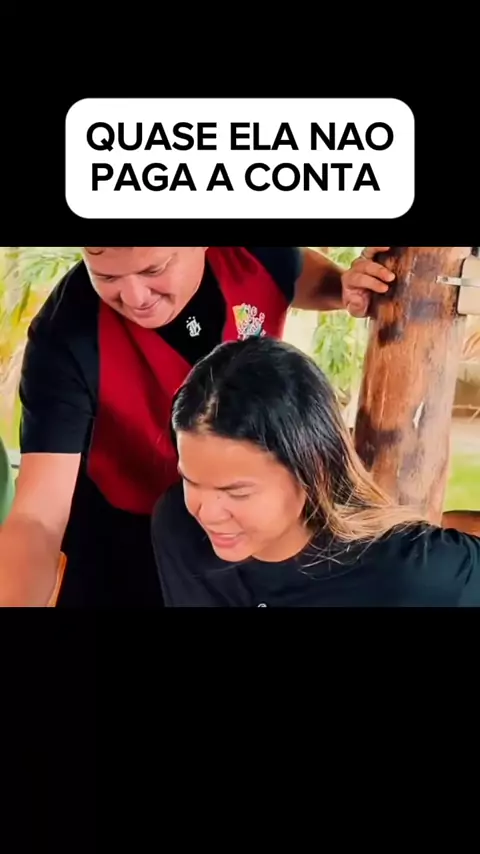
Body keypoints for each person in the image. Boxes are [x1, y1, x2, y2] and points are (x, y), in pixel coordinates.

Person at [0, 246, 394, 607]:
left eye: (154, 270)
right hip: (124, 540)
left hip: (255, 523)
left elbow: (300, 274)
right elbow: (38, 517)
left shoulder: (254, 254)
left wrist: (345, 287)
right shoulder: (66, 333)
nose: (135, 297)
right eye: (106, 277)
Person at [151, 336, 480, 607]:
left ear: (314, 469)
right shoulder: (179, 527)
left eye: (237, 492)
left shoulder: (411, 572)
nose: (207, 513)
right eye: (191, 481)